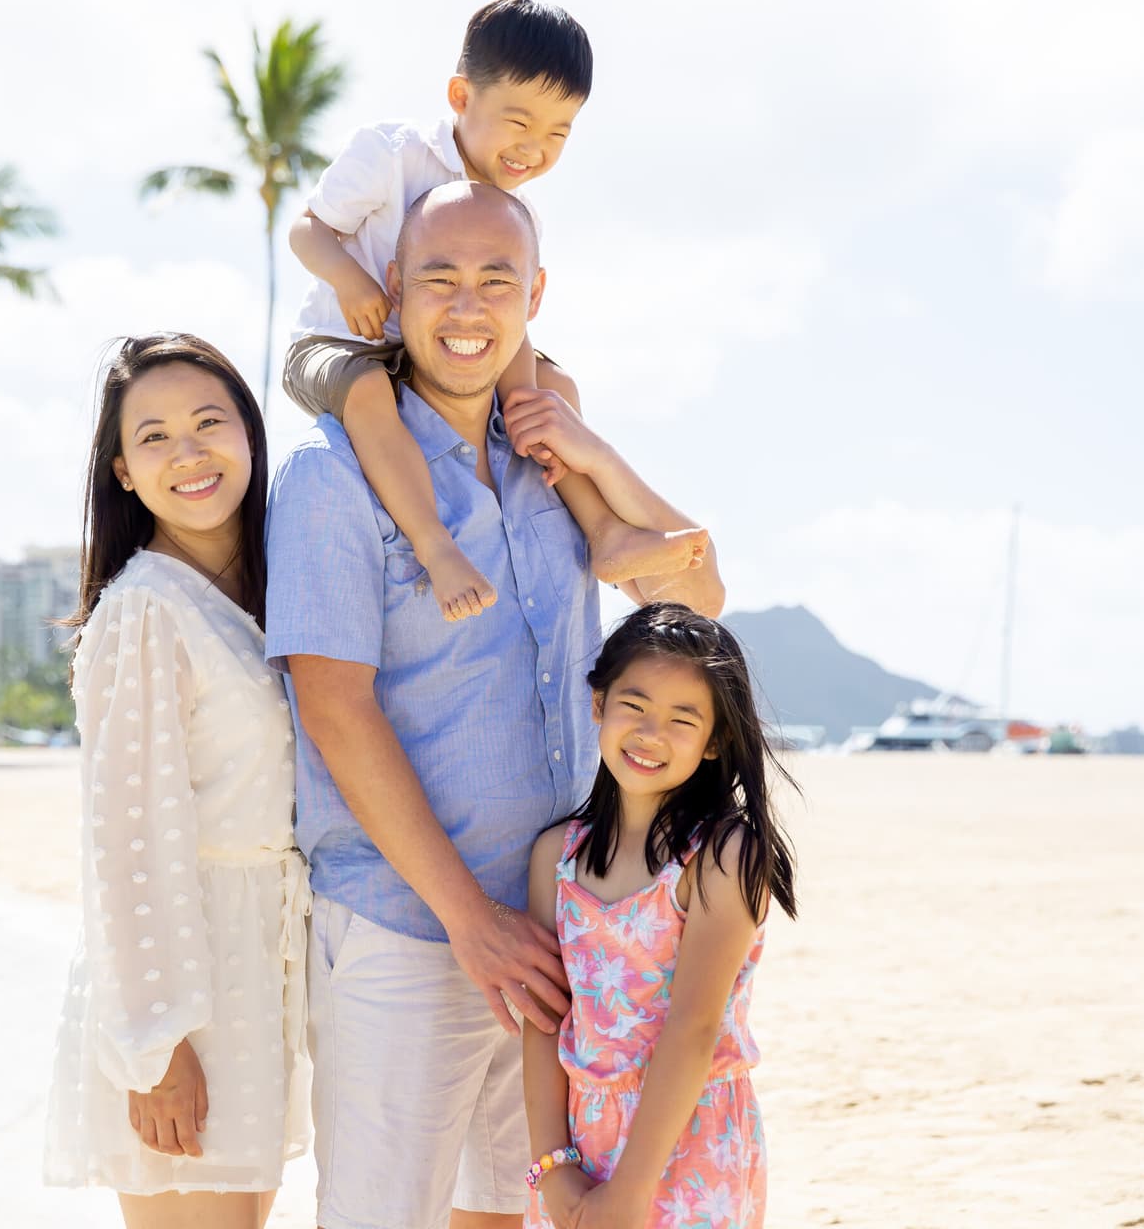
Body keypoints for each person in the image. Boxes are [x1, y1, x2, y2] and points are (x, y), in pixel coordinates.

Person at [267, 181, 725, 1229]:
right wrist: (469, 920)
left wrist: (593, 446)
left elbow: (699, 594)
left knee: (502, 1216)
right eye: (438, 278)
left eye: (495, 281)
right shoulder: (332, 476)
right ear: (392, 288)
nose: (466, 309)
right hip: (403, 930)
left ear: (535, 295)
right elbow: (334, 710)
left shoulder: (550, 463)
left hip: (559, 937)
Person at [285, 0, 707, 623]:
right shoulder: (390, 153)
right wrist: (351, 281)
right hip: (347, 342)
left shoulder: (518, 215)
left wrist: (530, 398)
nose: (534, 148)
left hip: (441, 350)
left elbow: (513, 332)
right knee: (370, 390)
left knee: (552, 392)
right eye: (520, 122)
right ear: (460, 96)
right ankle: (436, 545)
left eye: (557, 134)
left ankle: (603, 531)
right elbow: (306, 229)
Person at [45, 334, 309, 1229]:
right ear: (122, 471)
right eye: (153, 437)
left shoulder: (266, 599)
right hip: (182, 985)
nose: (189, 452)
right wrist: (155, 1044)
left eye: (208, 422)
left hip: (256, 964)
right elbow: (125, 842)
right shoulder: (144, 609)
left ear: (250, 436)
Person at [520, 603, 799, 1229]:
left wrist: (629, 1192)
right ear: (598, 704)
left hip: (691, 1141)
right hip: (578, 1144)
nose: (651, 732)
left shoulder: (723, 855)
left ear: (715, 742)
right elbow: (541, 1019)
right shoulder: (554, 857)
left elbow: (693, 1027)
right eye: (635, 706)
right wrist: (553, 1166)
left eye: (682, 719)